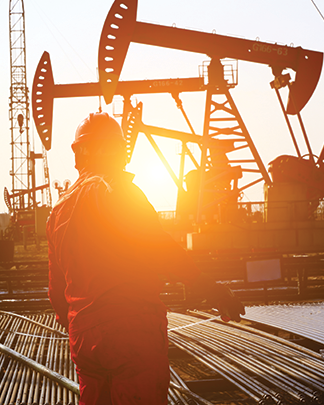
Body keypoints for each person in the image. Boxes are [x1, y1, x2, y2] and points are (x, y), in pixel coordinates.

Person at [46, 112, 245, 405]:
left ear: (78, 153)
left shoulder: (58, 211)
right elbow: (160, 247)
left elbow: (56, 291)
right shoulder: (117, 192)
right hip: (131, 328)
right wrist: (211, 289)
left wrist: (81, 325)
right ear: (118, 151)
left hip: (85, 339)